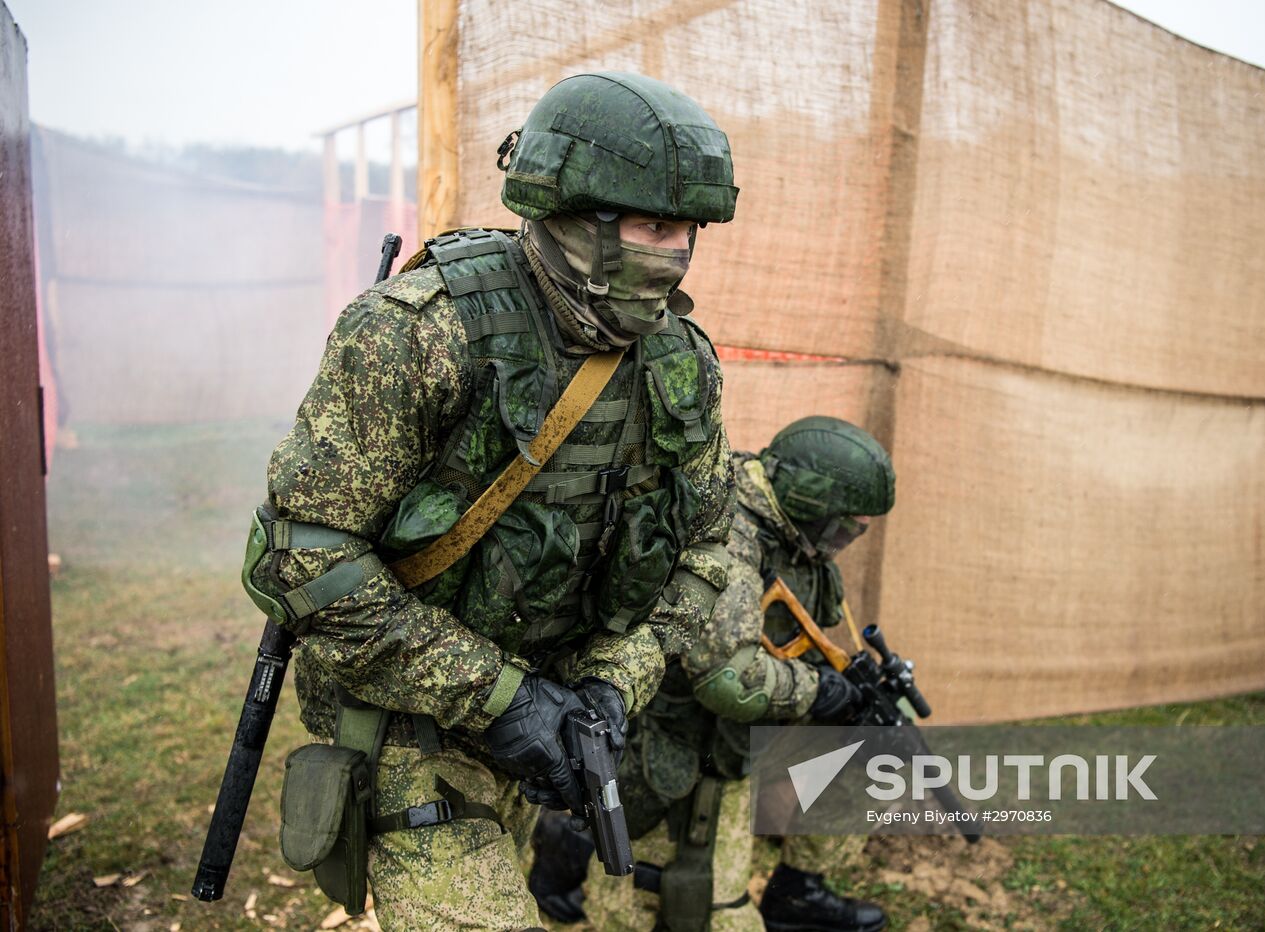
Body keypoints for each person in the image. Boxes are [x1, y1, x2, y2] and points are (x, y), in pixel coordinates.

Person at [240, 72, 738, 930]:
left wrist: (615, 686)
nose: (679, 252)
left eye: (689, 230)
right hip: (410, 714)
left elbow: (709, 549)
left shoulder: (678, 360)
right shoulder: (418, 332)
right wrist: (501, 699)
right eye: (657, 226)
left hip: (561, 710)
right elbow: (302, 559)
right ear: (575, 214)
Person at [568, 416, 895, 932]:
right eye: (842, 527)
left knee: (865, 750)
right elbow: (727, 679)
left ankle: (797, 892)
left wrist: (848, 692)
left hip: (743, 732)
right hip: (678, 734)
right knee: (697, 913)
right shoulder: (734, 533)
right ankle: (570, 847)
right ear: (810, 503)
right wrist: (818, 690)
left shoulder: (796, 541)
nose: (844, 540)